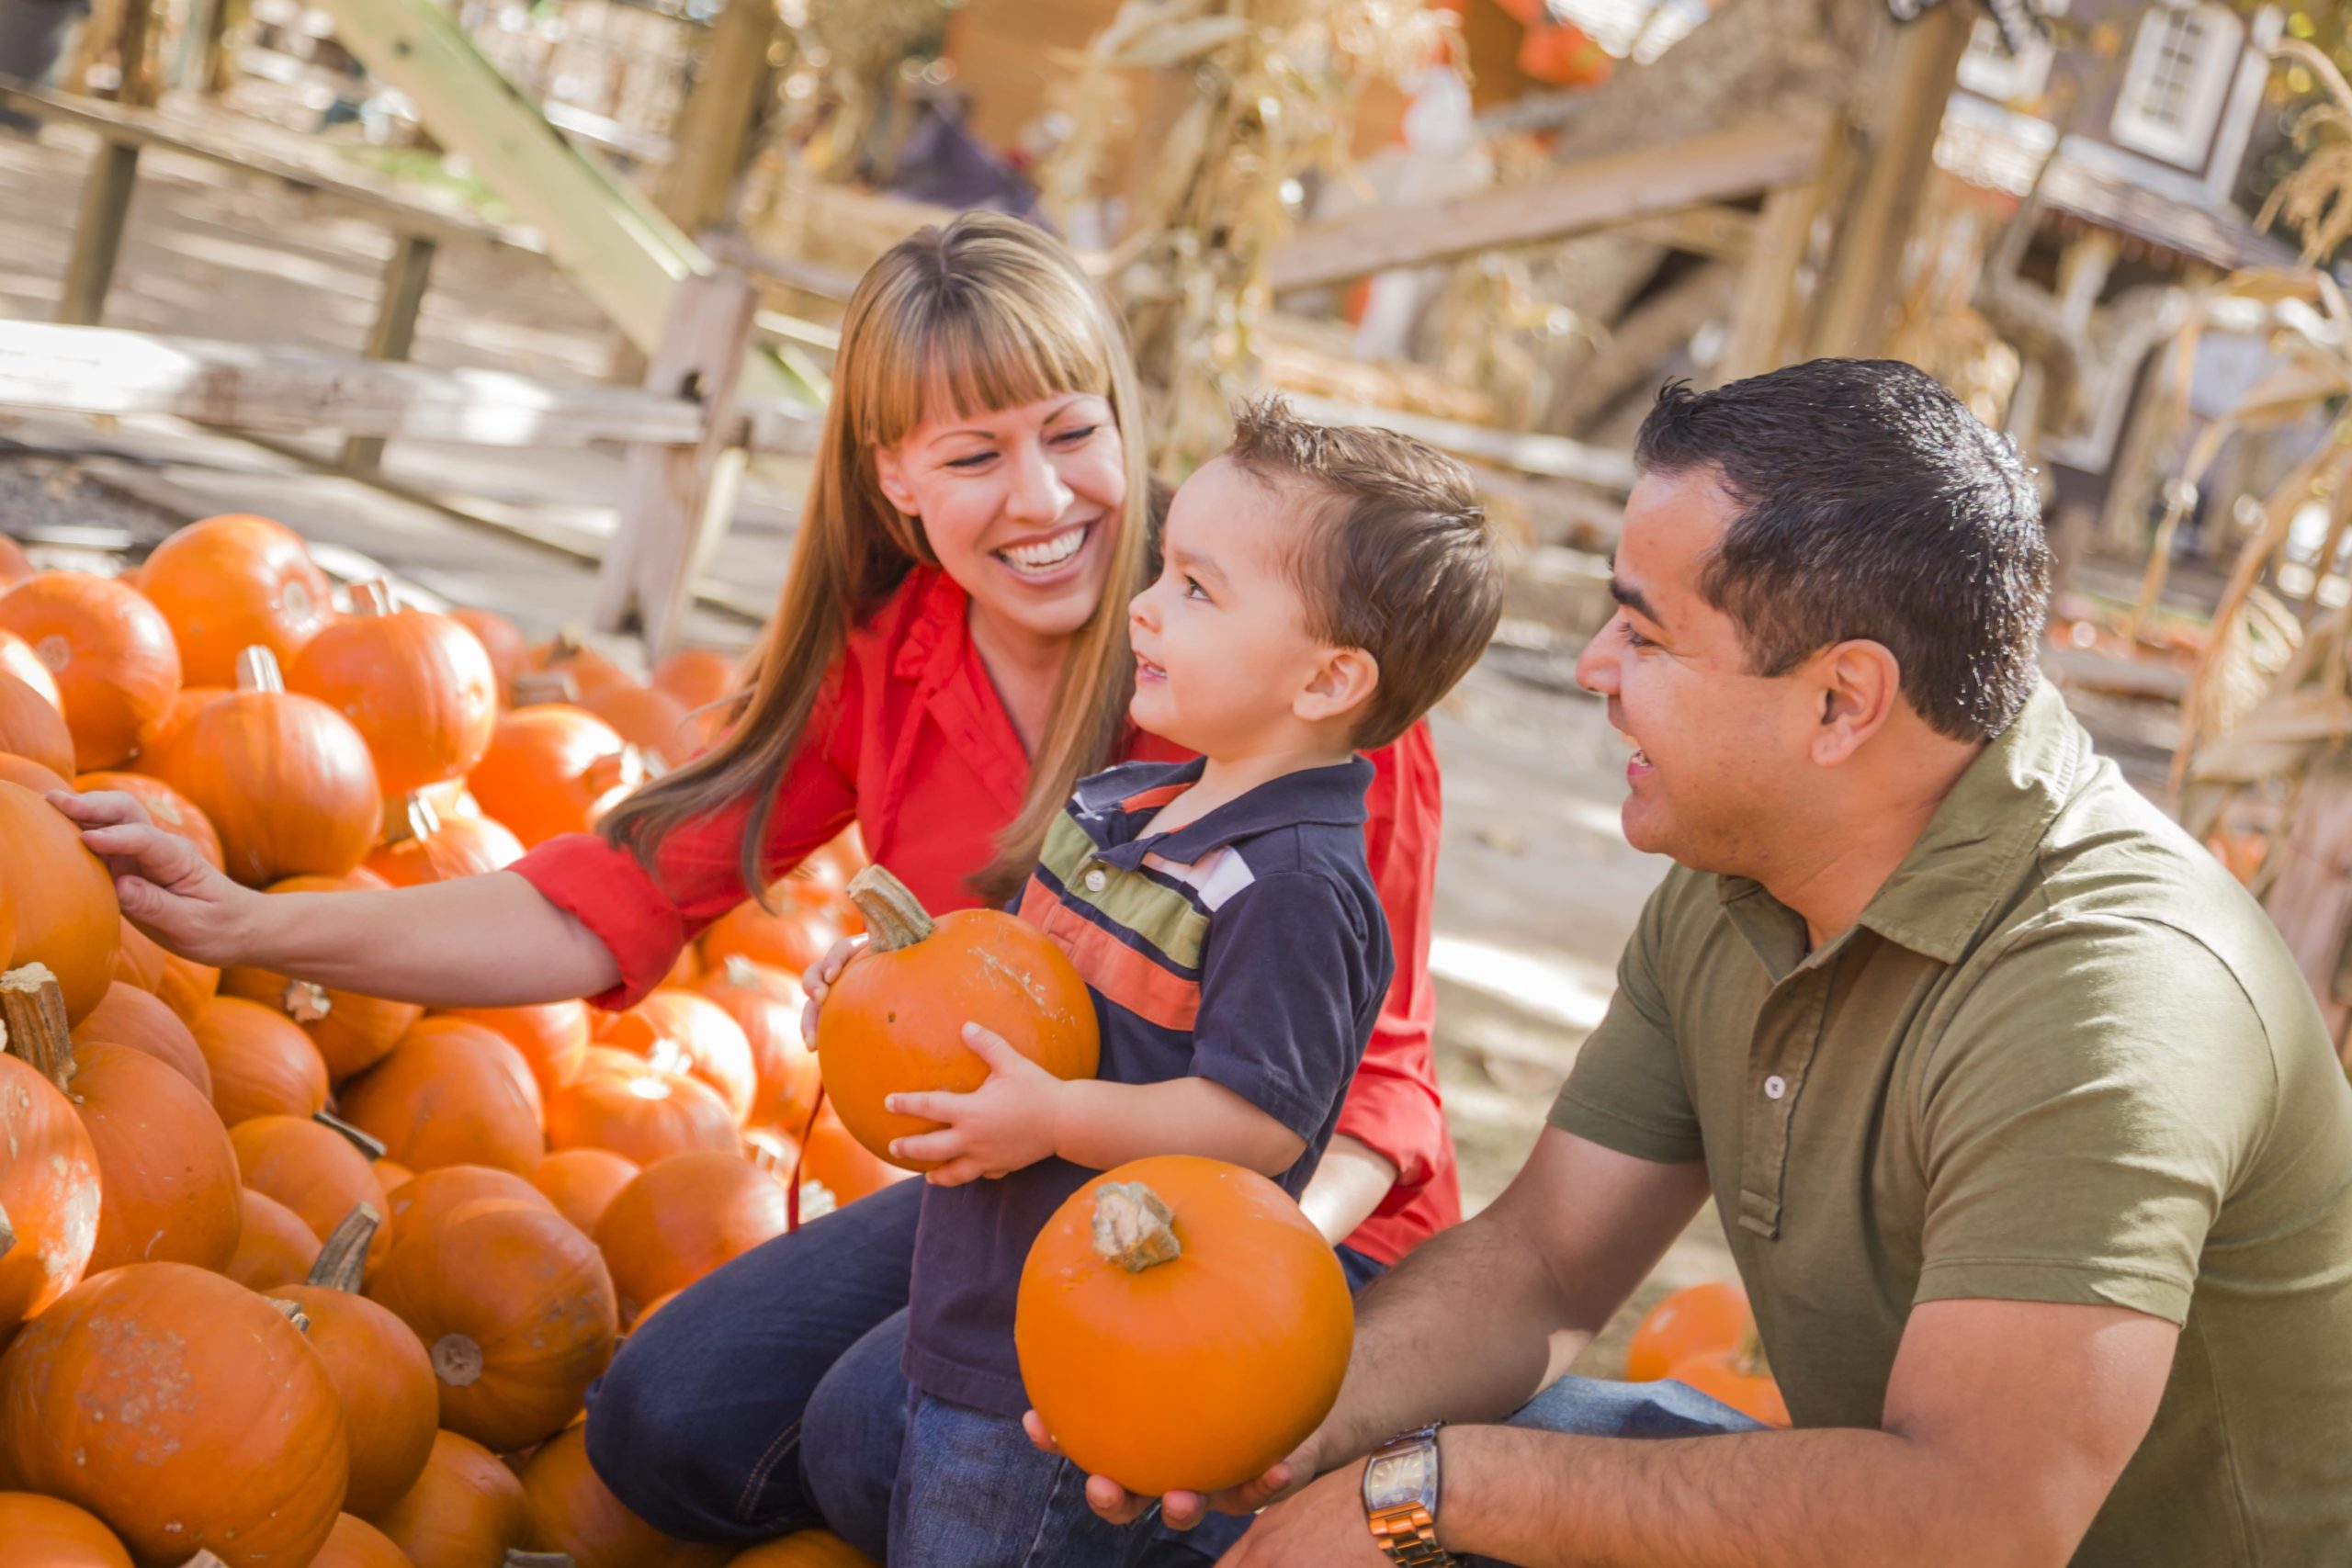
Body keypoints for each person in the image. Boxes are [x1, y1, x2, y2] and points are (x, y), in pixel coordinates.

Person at [54, 212, 1462, 1546]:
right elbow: (603, 896)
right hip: (1018, 1168)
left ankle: (1258, 1521)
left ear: (1122, 420)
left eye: (1072, 432)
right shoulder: (892, 652)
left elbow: (1373, 1090)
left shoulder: (1286, 684)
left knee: (882, 1424)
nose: (1045, 500)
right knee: (665, 1420)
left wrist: (1229, 1334)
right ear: (892, 477)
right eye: (972, 456)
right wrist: (251, 918)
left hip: (1270, 1219)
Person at [1056, 359, 2352, 1566]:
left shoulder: (2110, 999)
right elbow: (1548, 1259)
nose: (1592, 667)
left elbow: (1977, 1519)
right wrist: (1271, 1416)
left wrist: (1427, 1487)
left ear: (1842, 701)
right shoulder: (1741, 872)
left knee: (1475, 1482)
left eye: (1647, 633)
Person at [797, 397, 1502, 1565]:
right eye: (1165, 571)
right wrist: (893, 979)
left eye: (1195, 590)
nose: (1141, 606)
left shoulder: (1289, 890)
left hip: (1087, 1345)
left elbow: (1256, 1127)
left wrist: (1057, 1118)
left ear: (1328, 682)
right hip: (987, 1284)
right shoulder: (1128, 806)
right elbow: (1030, 989)